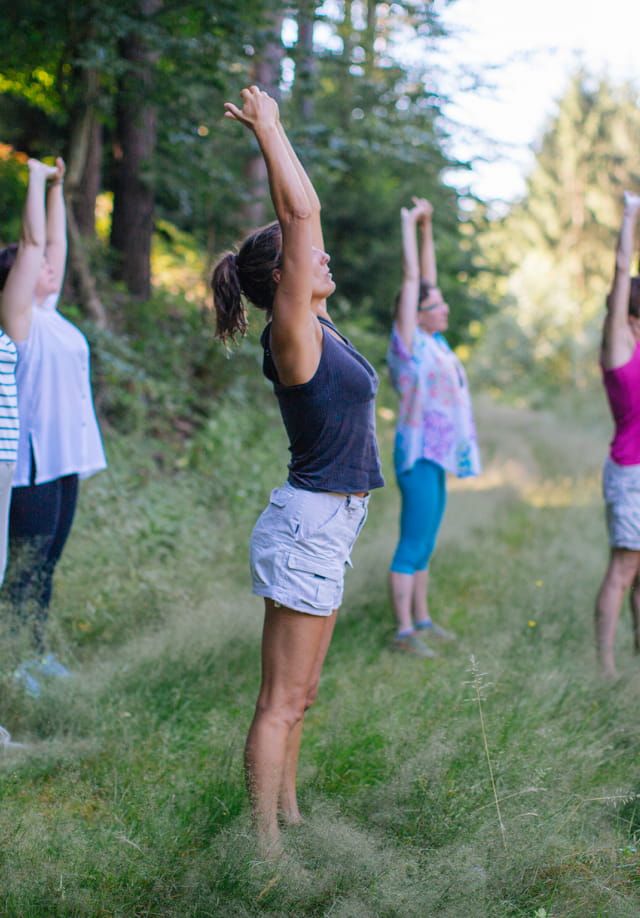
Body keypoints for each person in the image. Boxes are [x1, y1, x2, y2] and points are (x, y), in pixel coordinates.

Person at [211, 86, 384, 859]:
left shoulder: (319, 324)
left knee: (303, 695)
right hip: (309, 522)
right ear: (283, 279)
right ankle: (264, 847)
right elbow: (300, 216)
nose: (324, 255)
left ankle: (291, 817)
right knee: (280, 701)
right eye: (309, 255)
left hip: (331, 522)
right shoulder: (292, 336)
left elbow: (303, 230)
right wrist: (270, 131)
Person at [0, 156, 107, 664]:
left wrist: (59, 192)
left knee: (46, 564)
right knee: (25, 569)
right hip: (31, 466)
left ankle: (36, 657)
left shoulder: (49, 315)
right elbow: (38, 243)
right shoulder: (19, 322)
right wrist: (36, 178)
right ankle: (19, 665)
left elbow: (55, 245)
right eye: (32, 265)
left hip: (65, 460)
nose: (47, 267)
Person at [387, 197, 481, 657]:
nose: (444, 307)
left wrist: (428, 228)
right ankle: (403, 633)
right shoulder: (408, 345)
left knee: (426, 541)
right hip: (417, 454)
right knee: (411, 542)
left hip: (437, 454)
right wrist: (407, 224)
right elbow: (413, 281)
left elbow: (426, 279)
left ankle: (421, 619)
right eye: (436, 304)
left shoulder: (434, 340)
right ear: (416, 313)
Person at [595, 190, 640, 680]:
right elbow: (621, 267)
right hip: (630, 471)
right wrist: (629, 213)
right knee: (623, 569)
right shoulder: (618, 344)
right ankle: (605, 668)